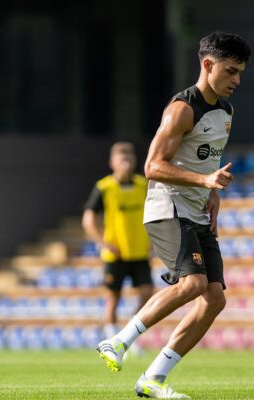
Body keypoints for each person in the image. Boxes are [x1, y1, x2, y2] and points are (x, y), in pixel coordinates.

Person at [96, 31, 251, 398]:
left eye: (241, 73)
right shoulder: (182, 108)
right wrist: (204, 179)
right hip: (167, 207)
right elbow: (152, 165)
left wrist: (212, 192)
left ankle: (153, 379)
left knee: (214, 299)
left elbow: (207, 161)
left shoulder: (226, 112)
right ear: (207, 65)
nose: (237, 81)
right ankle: (118, 341)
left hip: (197, 211)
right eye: (230, 71)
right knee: (193, 284)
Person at [83, 142, 154, 355]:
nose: (126, 163)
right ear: (112, 163)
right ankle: (112, 339)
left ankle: (131, 337)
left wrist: (154, 241)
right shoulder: (104, 187)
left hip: (140, 252)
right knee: (113, 298)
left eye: (129, 159)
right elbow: (88, 219)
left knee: (146, 293)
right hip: (115, 254)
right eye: (121, 159)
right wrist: (103, 243)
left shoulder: (143, 185)